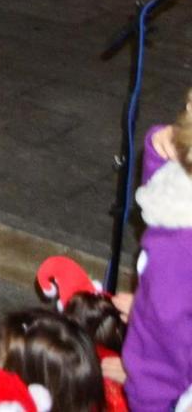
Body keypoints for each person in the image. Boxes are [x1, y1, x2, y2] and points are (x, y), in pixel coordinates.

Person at [121, 90, 191, 412]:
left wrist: (143, 312)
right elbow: (166, 199)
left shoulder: (177, 248)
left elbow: (163, 349)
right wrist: (160, 152)